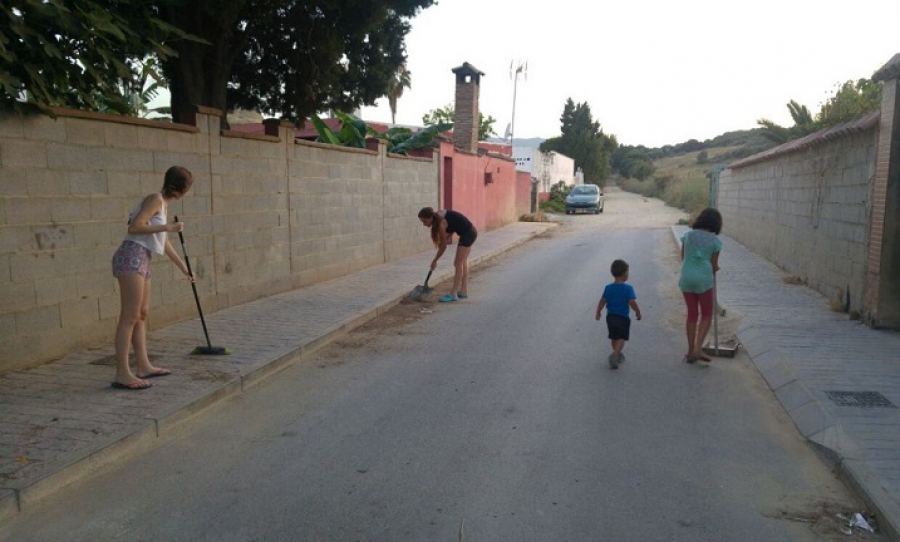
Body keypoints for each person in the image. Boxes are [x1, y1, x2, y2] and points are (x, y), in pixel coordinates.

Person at [110, 166, 194, 390]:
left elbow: (163, 242)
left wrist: (184, 268)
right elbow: (135, 227)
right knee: (130, 316)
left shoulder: (163, 205)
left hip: (143, 258)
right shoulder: (155, 199)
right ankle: (122, 372)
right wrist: (169, 226)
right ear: (181, 188)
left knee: (142, 314)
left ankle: (144, 365)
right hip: (131, 256)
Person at [679, 207, 723, 364]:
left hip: (687, 277)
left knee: (692, 314)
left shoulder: (688, 236)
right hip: (704, 279)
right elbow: (713, 265)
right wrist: (716, 268)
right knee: (706, 314)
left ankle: (690, 352)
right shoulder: (715, 242)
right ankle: (698, 348)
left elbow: (683, 257)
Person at [417, 207, 478, 303]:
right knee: (462, 262)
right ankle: (463, 291)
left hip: (468, 234)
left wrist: (435, 260)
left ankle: (453, 294)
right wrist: (447, 235)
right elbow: (454, 222)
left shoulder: (441, 223)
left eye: (425, 221)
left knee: (457, 264)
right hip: (471, 232)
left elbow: (443, 247)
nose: (424, 224)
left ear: (431, 218)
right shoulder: (440, 216)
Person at [595, 259, 642, 369]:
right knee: (621, 338)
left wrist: (598, 311)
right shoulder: (628, 288)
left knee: (614, 338)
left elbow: (603, 300)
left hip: (610, 317)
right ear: (625, 273)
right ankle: (615, 355)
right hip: (622, 318)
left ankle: (617, 354)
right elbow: (631, 302)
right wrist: (638, 312)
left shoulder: (608, 288)